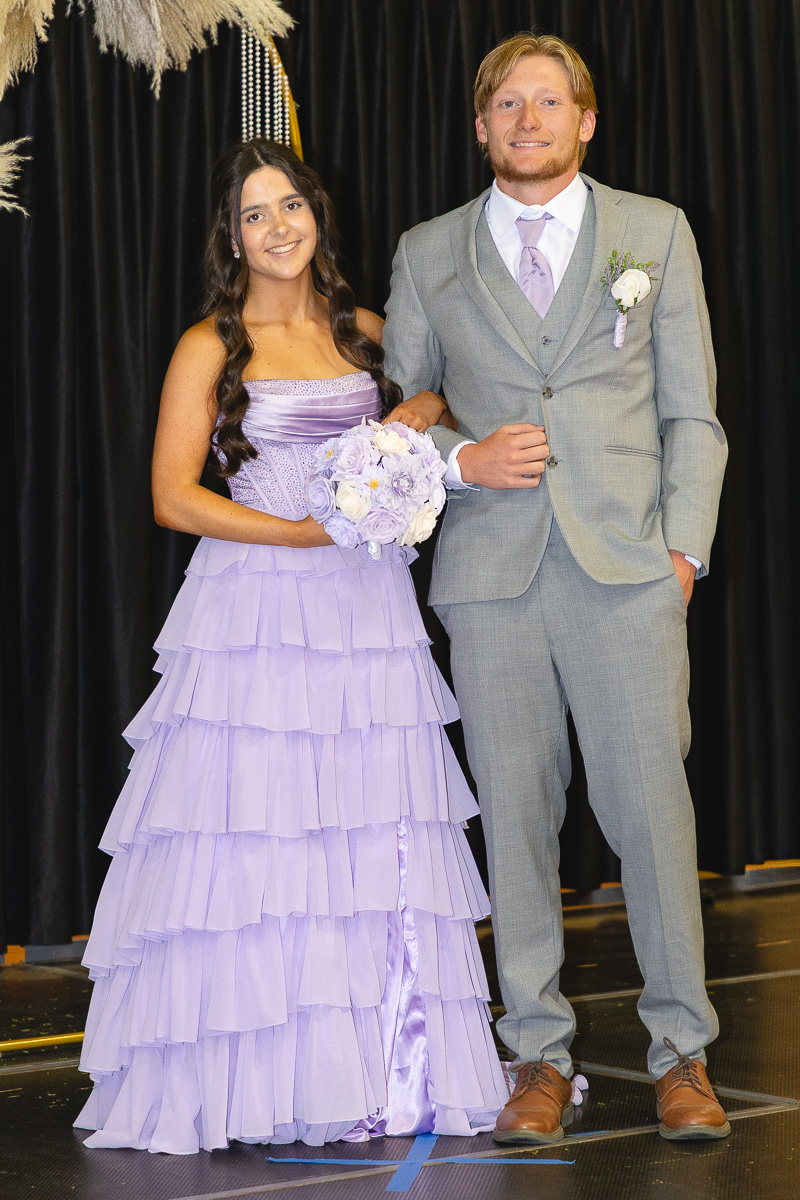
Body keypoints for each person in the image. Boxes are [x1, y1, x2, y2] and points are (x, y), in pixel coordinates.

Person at [73, 138, 509, 1153]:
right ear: (231, 237)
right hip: (255, 610)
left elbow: (438, 387)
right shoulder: (207, 346)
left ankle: (379, 1069)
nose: (278, 227)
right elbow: (171, 496)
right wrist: (298, 533)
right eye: (254, 213)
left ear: (316, 215)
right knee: (261, 834)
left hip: (363, 616)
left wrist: (414, 414)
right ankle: (252, 1078)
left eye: (290, 206)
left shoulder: (362, 330)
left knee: (365, 828)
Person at [383, 32, 729, 1145]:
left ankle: (683, 1054)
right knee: (516, 826)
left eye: (548, 102)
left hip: (626, 574)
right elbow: (400, 420)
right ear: (479, 126)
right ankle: (534, 1057)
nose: (526, 119)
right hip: (488, 581)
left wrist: (682, 552)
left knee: (649, 822)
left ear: (585, 120)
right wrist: (455, 464)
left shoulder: (654, 233)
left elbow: (692, 417)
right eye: (504, 104)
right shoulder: (427, 250)